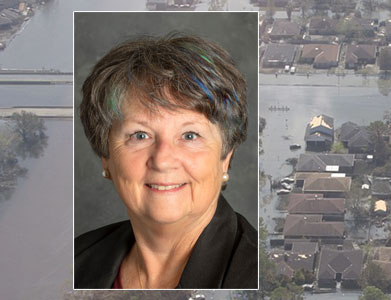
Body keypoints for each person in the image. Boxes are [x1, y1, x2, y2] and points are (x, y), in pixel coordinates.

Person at [74, 34, 256, 289]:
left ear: (225, 157)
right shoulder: (76, 260)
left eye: (189, 135)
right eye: (140, 135)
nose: (162, 160)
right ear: (106, 157)